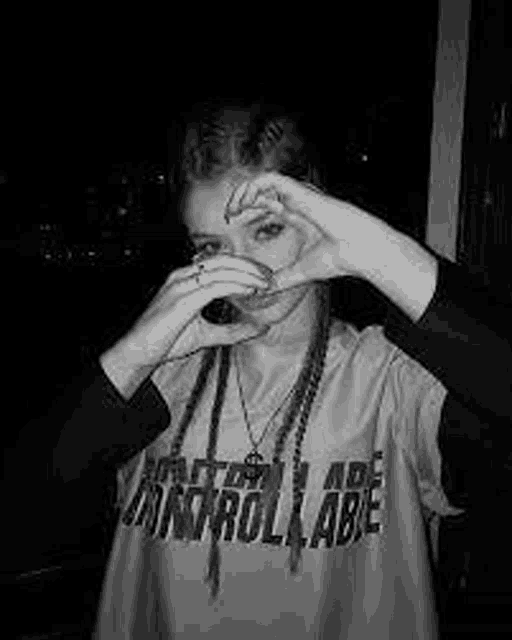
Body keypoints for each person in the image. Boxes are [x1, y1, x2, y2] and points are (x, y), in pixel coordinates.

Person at [46, 103, 511, 639]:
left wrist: (379, 254)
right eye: (211, 247)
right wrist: (130, 356)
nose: (244, 273)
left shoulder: (391, 381)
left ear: (316, 219)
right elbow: (29, 518)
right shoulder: (158, 382)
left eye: (266, 230)